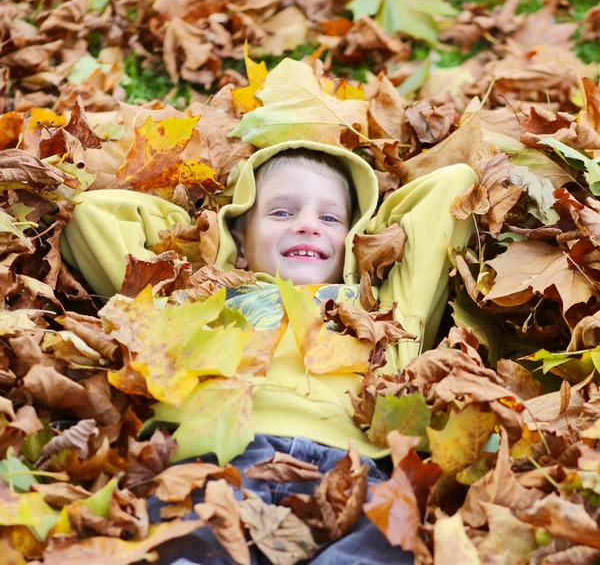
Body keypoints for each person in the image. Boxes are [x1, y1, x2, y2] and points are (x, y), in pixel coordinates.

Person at [61, 139, 477, 564]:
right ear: (241, 240)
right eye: (282, 212)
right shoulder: (194, 302)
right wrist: (213, 239)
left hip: (352, 477)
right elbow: (91, 218)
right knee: (188, 548)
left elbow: (452, 187)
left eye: (330, 217)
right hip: (222, 465)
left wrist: (367, 244)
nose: (308, 225)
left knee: (385, 547)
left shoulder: (384, 312)